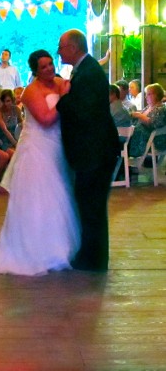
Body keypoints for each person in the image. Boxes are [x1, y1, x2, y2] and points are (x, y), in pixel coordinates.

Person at [0, 50, 80, 276]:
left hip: (57, 145)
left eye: (51, 64)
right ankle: (33, 250)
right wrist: (64, 96)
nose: (50, 69)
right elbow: (46, 119)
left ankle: (59, 247)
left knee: (59, 194)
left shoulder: (60, 82)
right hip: (37, 147)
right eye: (44, 67)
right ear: (34, 71)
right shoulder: (31, 91)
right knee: (38, 197)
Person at [57, 30, 119, 272]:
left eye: (61, 47)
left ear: (73, 47)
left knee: (92, 206)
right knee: (89, 205)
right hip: (92, 151)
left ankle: (93, 260)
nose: (59, 52)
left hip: (95, 152)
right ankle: (91, 255)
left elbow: (84, 111)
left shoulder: (89, 72)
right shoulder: (86, 69)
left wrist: (61, 99)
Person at [129, 83, 166, 157]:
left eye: (148, 94)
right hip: (143, 137)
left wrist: (140, 115)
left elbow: (154, 124)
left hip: (154, 140)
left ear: (157, 95)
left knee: (125, 141)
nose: (146, 97)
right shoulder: (147, 107)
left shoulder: (161, 108)